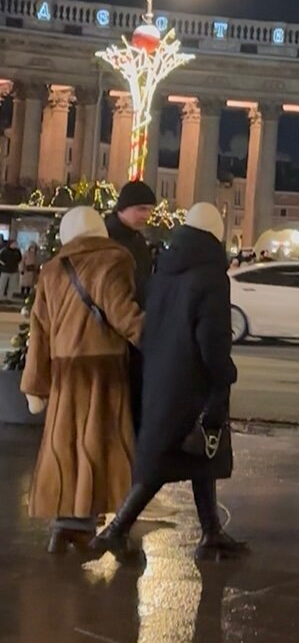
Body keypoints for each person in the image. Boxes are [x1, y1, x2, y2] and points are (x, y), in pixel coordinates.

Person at [86, 203, 245, 563]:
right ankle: (116, 531)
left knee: (200, 452)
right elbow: (213, 337)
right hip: (195, 381)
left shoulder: (166, 268)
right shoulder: (210, 275)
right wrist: (224, 374)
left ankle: (211, 532)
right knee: (170, 457)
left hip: (164, 374)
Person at [20, 205, 144, 552]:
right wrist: (157, 340)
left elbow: (39, 332)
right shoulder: (112, 261)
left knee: (67, 446)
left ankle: (65, 525)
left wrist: (35, 386)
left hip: (64, 374)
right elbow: (125, 315)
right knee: (100, 445)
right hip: (103, 373)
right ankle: (90, 525)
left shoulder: (52, 270)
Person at [106, 179, 158, 307]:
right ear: (124, 207)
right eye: (141, 209)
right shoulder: (108, 239)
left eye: (150, 210)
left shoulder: (137, 238)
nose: (146, 216)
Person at [0, 235, 21, 301]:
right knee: (2, 284)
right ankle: (1, 296)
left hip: (14, 270)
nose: (15, 245)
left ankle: (9, 297)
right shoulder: (4, 251)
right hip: (5, 270)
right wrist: (4, 264)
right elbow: (0, 259)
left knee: (12, 285)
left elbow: (20, 259)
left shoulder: (17, 251)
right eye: (14, 244)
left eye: (15, 244)